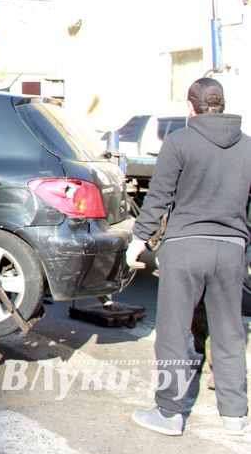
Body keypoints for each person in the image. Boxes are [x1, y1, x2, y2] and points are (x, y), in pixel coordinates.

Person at [126, 77, 251, 437]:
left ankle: (169, 411)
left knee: (174, 331)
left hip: (185, 247)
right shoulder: (247, 146)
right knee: (229, 331)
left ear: (190, 107)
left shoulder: (179, 142)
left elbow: (159, 198)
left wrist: (138, 241)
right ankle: (235, 415)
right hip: (231, 250)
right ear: (222, 104)